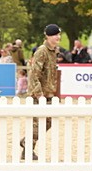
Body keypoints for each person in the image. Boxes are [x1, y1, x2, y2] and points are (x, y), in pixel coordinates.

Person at [22, 24, 62, 160]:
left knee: (47, 122)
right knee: (36, 123)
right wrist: (39, 95)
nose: (58, 37)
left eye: (58, 34)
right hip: (38, 95)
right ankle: (27, 149)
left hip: (48, 94)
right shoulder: (42, 51)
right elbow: (34, 74)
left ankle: (26, 143)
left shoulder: (53, 52)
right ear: (48, 36)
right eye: (56, 35)